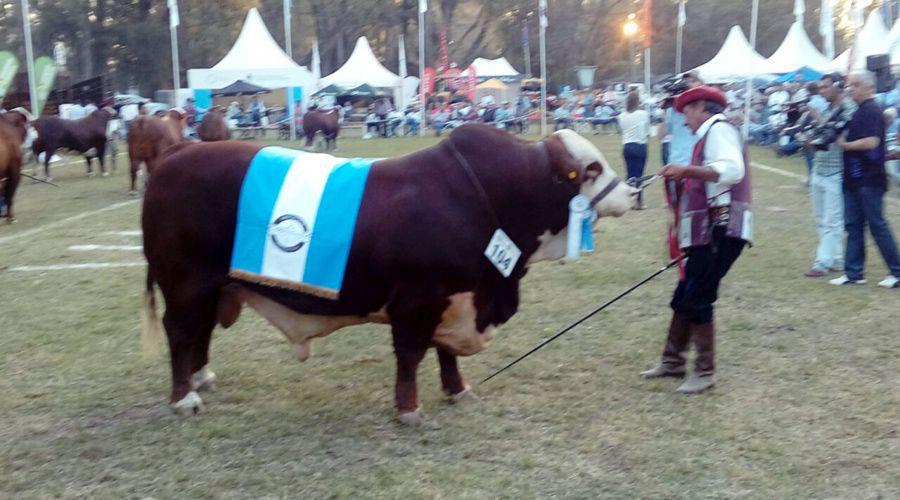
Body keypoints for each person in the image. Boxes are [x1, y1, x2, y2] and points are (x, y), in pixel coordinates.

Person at [641, 85, 753, 394]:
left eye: (686, 111)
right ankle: (673, 360)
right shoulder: (709, 134)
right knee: (686, 291)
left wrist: (686, 169)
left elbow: (732, 170)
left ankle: (704, 372)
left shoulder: (718, 130)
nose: (683, 118)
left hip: (721, 229)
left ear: (702, 107)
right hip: (711, 230)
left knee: (700, 294)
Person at [830, 72, 900, 288]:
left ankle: (897, 272)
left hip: (869, 178)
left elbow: (871, 142)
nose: (850, 89)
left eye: (855, 85)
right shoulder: (858, 110)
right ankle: (854, 273)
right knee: (853, 225)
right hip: (853, 178)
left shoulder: (871, 110)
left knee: (877, 225)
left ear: (868, 88)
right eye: (850, 86)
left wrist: (846, 145)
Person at [803, 75, 856, 278]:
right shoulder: (827, 108)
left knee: (832, 219)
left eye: (825, 87)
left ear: (838, 87)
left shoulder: (848, 108)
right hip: (820, 166)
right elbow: (820, 136)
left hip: (837, 169)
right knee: (820, 217)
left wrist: (818, 120)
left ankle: (822, 263)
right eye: (820, 87)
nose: (822, 91)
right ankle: (834, 258)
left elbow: (834, 133)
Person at [617, 91, 650, 208]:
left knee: (630, 175)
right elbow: (647, 129)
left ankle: (629, 200)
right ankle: (638, 202)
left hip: (627, 145)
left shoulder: (621, 116)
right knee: (639, 175)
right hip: (640, 145)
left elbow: (621, 130)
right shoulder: (643, 114)